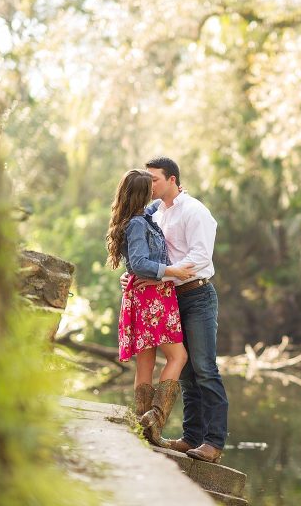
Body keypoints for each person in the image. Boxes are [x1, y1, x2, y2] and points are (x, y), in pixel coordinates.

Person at [121, 156, 228, 463]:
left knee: (206, 369)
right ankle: (191, 437)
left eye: (153, 178)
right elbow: (146, 251)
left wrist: (160, 274)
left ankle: (214, 442)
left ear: (171, 180)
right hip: (169, 298)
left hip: (197, 296)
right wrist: (139, 274)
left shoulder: (195, 212)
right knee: (187, 373)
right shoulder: (155, 212)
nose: (148, 183)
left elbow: (200, 259)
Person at [106, 169, 195, 445]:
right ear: (142, 194)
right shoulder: (136, 224)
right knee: (178, 357)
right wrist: (175, 271)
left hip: (145, 296)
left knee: (145, 362)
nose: (155, 192)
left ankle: (142, 429)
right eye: (150, 188)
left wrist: (179, 191)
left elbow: (164, 200)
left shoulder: (143, 216)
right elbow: (141, 263)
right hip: (152, 298)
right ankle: (154, 420)